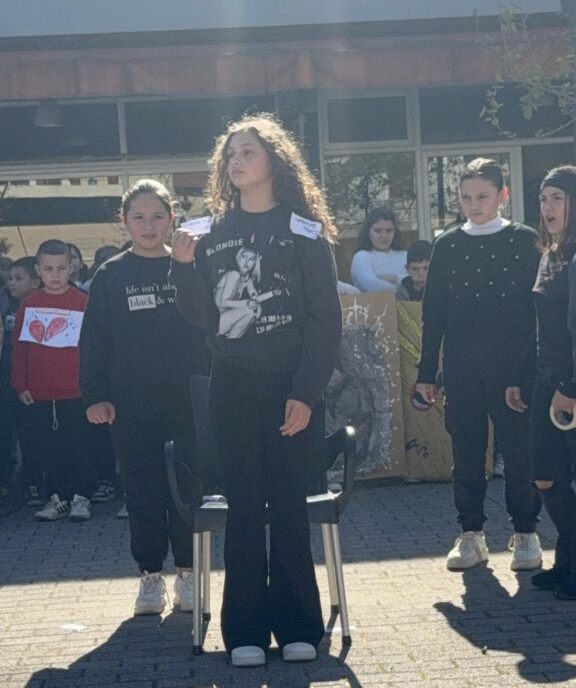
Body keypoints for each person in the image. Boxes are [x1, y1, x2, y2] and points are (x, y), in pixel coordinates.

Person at [171, 113, 342, 667]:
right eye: (230, 155)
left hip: (291, 387)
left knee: (288, 505)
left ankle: (298, 627)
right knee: (244, 506)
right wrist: (181, 268)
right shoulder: (209, 231)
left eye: (247, 152)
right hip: (232, 386)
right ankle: (243, 631)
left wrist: (306, 393)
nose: (236, 162)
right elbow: (202, 317)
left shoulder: (304, 230)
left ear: (274, 159)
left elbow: (325, 320)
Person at [79, 179, 208, 616]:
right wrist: (95, 396)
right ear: (124, 221)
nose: (148, 226)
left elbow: (208, 326)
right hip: (131, 404)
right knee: (142, 491)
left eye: (157, 216)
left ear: (172, 219)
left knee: (187, 488)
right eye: (138, 217)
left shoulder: (190, 265)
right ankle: (150, 577)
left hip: (188, 400)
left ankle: (188, 574)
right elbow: (94, 341)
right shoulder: (111, 275)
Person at [415, 158, 542, 571]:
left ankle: (526, 532)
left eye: (483, 196)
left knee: (519, 454)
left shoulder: (525, 241)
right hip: (462, 367)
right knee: (466, 454)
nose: (474, 204)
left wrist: (527, 370)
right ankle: (471, 533)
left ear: (502, 195)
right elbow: (433, 313)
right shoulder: (447, 245)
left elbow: (536, 313)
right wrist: (426, 373)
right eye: (466, 197)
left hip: (513, 368)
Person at [508, 166, 576, 600]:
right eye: (543, 198)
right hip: (544, 380)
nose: (547, 207)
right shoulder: (550, 255)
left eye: (557, 198)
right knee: (545, 476)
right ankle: (567, 560)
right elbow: (538, 329)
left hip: (569, 386)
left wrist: (570, 387)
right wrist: (520, 377)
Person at [11, 240, 97, 521]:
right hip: (39, 392)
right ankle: (57, 497)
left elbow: (93, 346)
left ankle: (82, 497)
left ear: (71, 268)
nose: (56, 274)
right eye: (48, 269)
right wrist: (21, 383)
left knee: (79, 445)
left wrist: (92, 385)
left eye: (61, 268)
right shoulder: (30, 303)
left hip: (75, 391)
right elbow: (19, 346)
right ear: (38, 271)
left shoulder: (82, 301)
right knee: (48, 448)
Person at [0, 257, 40, 501]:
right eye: (10, 279)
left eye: (18, 278)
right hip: (7, 379)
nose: (11, 283)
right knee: (6, 429)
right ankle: (6, 479)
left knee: (32, 432)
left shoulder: (41, 305)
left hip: (33, 378)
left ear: (35, 281)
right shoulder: (5, 304)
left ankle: (35, 480)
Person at [350, 206, 407, 293]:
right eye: (378, 231)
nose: (384, 236)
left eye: (388, 231)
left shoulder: (405, 256)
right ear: (368, 232)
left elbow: (420, 282)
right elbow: (371, 285)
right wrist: (403, 291)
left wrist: (396, 278)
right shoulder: (361, 257)